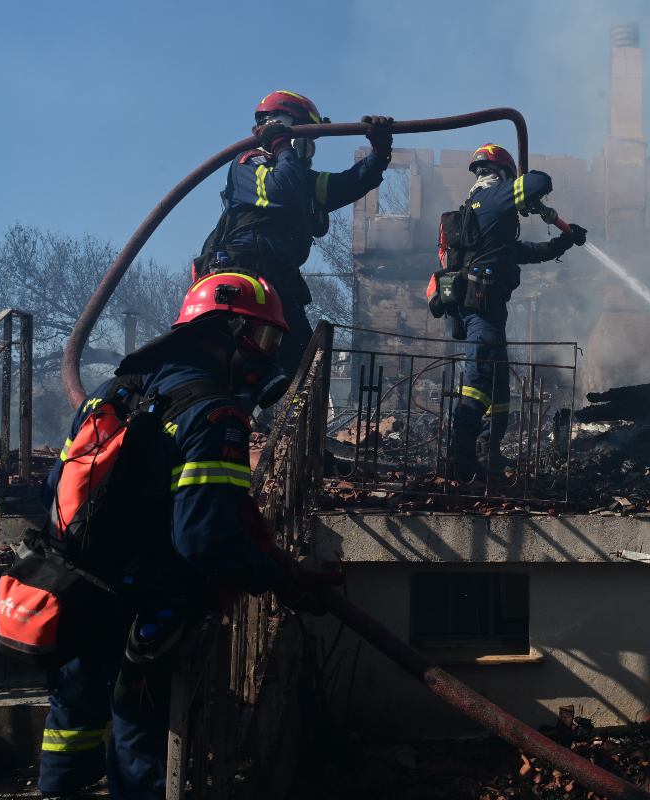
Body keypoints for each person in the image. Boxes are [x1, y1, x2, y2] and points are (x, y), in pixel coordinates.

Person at [34, 271, 340, 799]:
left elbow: (52, 493)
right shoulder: (216, 415)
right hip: (143, 613)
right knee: (141, 746)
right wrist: (280, 578)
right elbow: (205, 538)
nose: (267, 355)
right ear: (224, 332)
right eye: (264, 337)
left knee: (71, 723)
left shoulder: (114, 391)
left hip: (78, 594)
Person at [195, 90, 395, 376]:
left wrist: (379, 154)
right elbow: (283, 190)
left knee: (304, 369)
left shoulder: (298, 177)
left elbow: (347, 185)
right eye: (306, 137)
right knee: (249, 368)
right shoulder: (249, 162)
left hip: (280, 284)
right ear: (283, 128)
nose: (309, 148)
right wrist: (280, 144)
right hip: (247, 281)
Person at [450, 144, 587, 481]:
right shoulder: (495, 196)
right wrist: (528, 196)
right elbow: (541, 180)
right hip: (483, 306)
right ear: (503, 173)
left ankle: (488, 452)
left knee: (497, 384)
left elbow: (522, 252)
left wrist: (563, 242)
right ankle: (461, 460)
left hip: (487, 305)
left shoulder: (484, 211)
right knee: (480, 377)